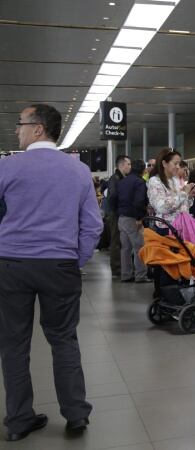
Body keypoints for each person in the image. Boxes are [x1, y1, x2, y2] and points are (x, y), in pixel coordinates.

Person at [0, 104, 102, 441]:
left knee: (14, 343)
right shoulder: (78, 171)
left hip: (12, 264)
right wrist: (76, 259)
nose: (17, 130)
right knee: (63, 339)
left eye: (21, 124)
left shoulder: (6, 167)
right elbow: (92, 225)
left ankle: (19, 421)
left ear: (38, 128)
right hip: (60, 265)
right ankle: (76, 415)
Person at [147, 148, 195, 235]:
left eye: (179, 164)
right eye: (175, 163)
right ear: (164, 163)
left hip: (181, 226)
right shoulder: (155, 181)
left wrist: (190, 196)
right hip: (167, 228)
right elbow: (161, 207)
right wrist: (184, 193)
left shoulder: (175, 180)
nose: (178, 167)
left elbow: (181, 205)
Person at [117, 159, 150, 283]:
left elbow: (114, 198)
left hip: (121, 218)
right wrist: (139, 218)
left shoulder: (122, 181)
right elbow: (139, 201)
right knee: (139, 247)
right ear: (143, 170)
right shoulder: (139, 182)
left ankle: (126, 274)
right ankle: (140, 275)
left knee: (125, 248)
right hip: (133, 218)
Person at [106, 155, 131, 278]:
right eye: (128, 164)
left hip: (118, 213)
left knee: (121, 241)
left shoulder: (121, 178)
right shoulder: (114, 179)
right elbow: (112, 196)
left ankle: (121, 268)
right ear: (121, 165)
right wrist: (117, 209)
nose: (130, 167)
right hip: (115, 214)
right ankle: (116, 269)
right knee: (116, 241)